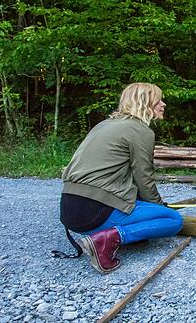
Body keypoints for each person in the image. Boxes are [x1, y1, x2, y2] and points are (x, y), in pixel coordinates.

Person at [58, 82, 183, 273]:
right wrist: (159, 206)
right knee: (173, 220)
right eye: (159, 100)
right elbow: (144, 177)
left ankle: (104, 235)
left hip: (70, 213)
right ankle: (110, 238)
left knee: (148, 213)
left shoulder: (105, 125)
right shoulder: (140, 131)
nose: (163, 104)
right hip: (95, 214)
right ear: (145, 102)